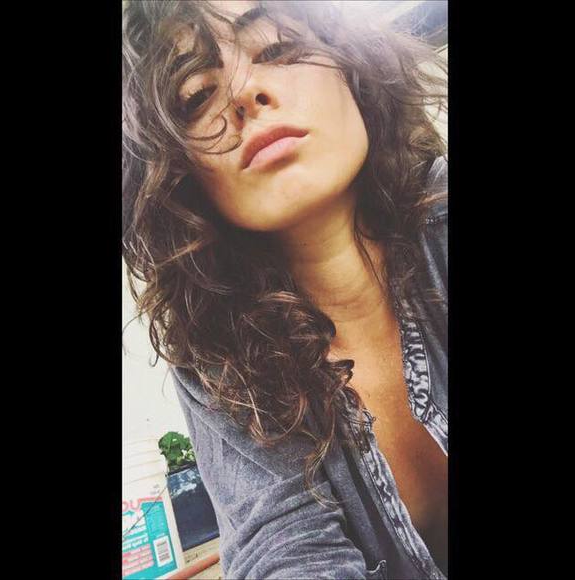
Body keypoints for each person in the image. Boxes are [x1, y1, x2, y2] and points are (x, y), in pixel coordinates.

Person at [122, 1, 448, 578]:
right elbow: (283, 546)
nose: (245, 93)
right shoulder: (217, 361)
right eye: (197, 95)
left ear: (350, 68)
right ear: (179, 171)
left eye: (277, 49)